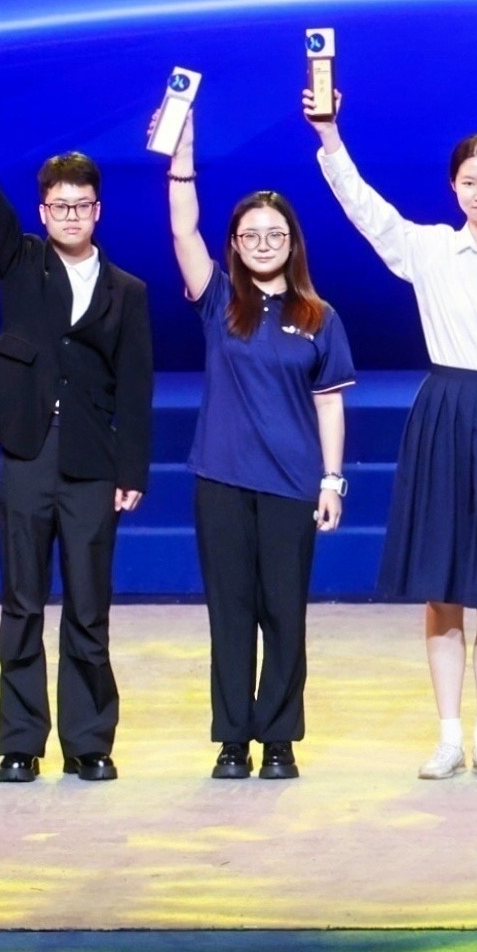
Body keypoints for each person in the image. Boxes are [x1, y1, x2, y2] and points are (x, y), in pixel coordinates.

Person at [307, 83, 477, 780]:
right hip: (445, 413)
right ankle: (449, 734)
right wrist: (330, 136)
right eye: (469, 181)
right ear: (454, 187)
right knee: (442, 583)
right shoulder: (428, 248)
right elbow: (365, 209)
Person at [0, 92, 152, 784]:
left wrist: (132, 469)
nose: (69, 215)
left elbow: (136, 385)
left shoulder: (127, 291)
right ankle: (20, 743)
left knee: (89, 608)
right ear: (42, 211)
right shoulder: (22, 262)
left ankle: (89, 741)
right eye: (58, 205)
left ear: (98, 210)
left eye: (81, 205)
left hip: (93, 462)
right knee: (22, 605)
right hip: (28, 452)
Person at [167, 159, 358, 778]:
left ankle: (278, 740)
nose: (263, 244)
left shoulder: (320, 316)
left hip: (291, 485)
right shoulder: (220, 299)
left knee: (283, 613)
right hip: (222, 479)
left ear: (293, 241)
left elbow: (329, 404)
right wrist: (181, 161)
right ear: (234, 243)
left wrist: (332, 481)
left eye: (275, 233)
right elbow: (183, 231)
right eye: (250, 234)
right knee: (230, 615)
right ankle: (232, 741)